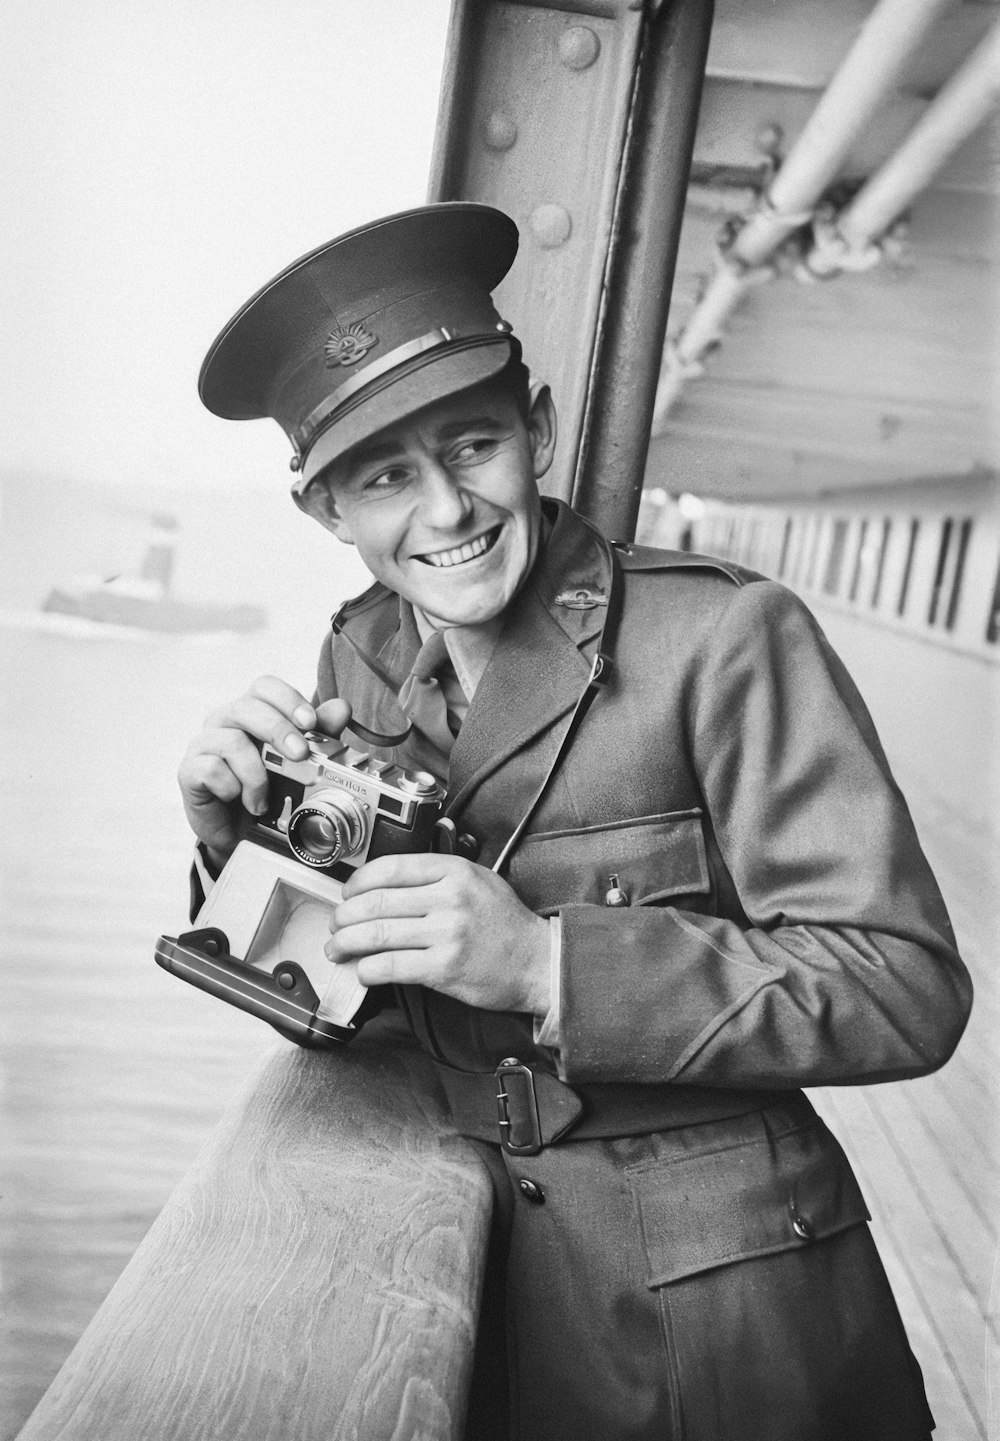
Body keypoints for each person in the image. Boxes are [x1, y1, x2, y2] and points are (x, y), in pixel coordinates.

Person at [179, 203, 972, 1441]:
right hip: (482, 1302)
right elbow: (352, 995)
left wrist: (545, 962)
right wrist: (235, 840)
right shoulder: (361, 649)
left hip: (725, 1322)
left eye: (474, 445)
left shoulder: (722, 638)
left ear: (535, 430)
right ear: (326, 512)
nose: (445, 510)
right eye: (385, 475)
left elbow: (905, 987)